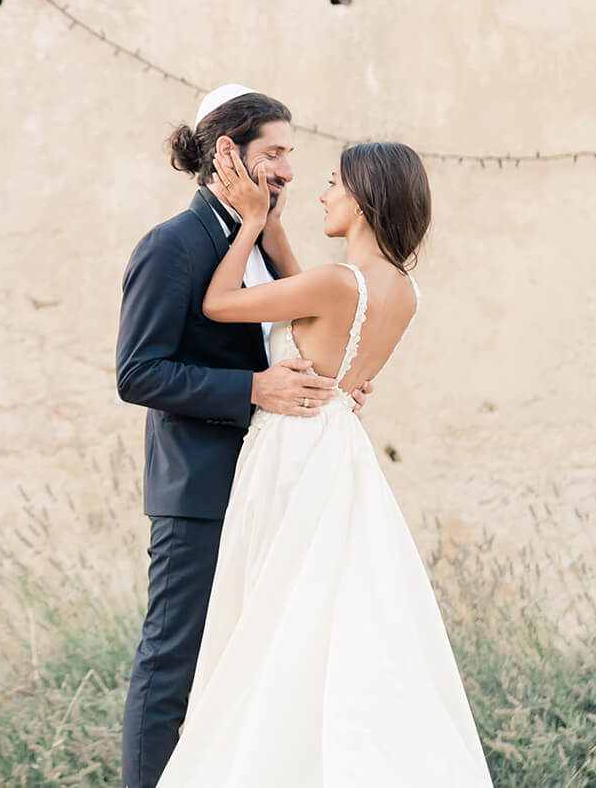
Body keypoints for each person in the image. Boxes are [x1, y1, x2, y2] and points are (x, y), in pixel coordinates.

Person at [155, 131, 494, 786]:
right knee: (328, 614)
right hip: (338, 444)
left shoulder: (337, 282)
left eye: (335, 182)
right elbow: (328, 323)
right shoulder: (402, 290)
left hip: (292, 449)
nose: (321, 192)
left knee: (276, 614)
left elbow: (219, 303)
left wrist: (252, 220)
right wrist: (274, 228)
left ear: (363, 200)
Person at [116, 85, 376, 788]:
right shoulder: (172, 245)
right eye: (276, 153)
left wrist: (334, 381)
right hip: (199, 488)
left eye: (293, 154)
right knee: (172, 667)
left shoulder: (262, 242)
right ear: (227, 152)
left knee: (249, 666)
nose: (290, 169)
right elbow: (138, 372)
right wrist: (253, 388)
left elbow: (314, 328)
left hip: (274, 484)